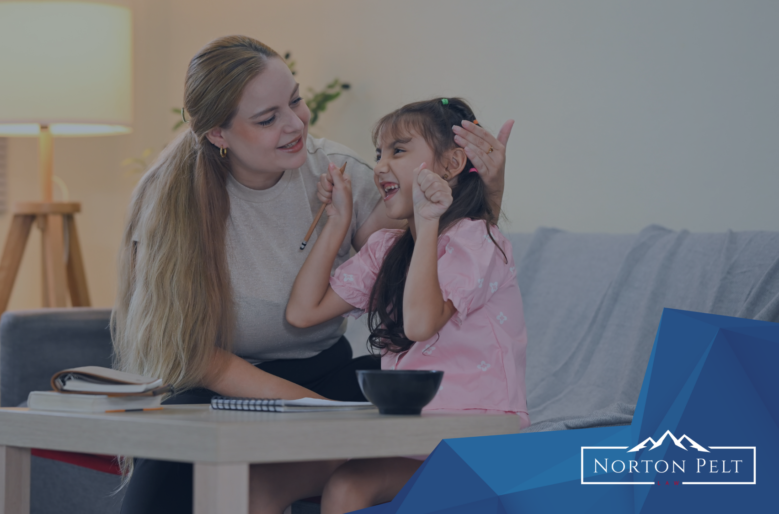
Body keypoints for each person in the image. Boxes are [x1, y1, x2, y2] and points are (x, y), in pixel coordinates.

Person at [114, 35, 513, 513]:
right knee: (169, 464)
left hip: (326, 372)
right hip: (217, 386)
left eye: (295, 100)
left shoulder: (338, 172)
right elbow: (197, 357)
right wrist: (320, 417)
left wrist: (488, 188)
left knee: (413, 382)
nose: (295, 123)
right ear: (219, 134)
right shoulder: (169, 202)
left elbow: (435, 259)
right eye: (268, 118)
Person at [250, 97, 527, 514]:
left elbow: (419, 324)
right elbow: (303, 313)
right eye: (378, 153)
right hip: (405, 435)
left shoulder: (476, 240)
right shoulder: (387, 248)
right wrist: (337, 222)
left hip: (473, 440)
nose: (379, 166)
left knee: (349, 486)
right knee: (260, 485)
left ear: (452, 164)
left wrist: (428, 222)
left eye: (398, 150)